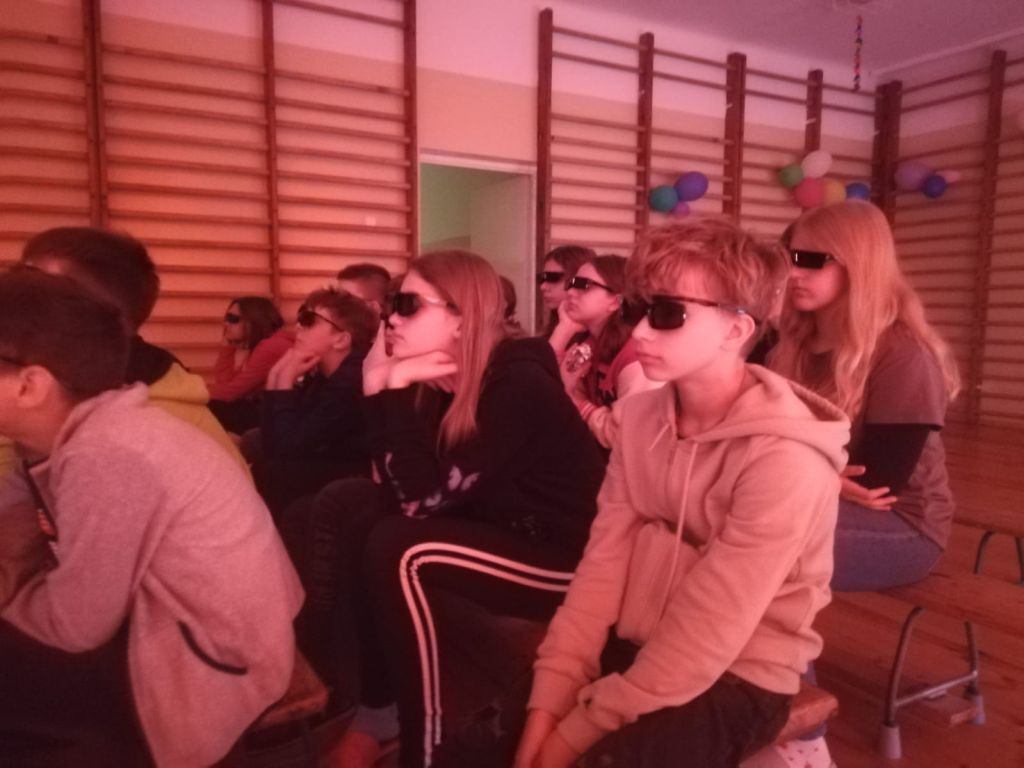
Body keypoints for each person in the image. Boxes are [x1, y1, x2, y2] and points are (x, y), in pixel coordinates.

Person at [515, 218, 850, 768]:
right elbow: (603, 565)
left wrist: (571, 736)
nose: (642, 332)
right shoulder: (639, 419)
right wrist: (548, 700)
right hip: (638, 638)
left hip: (743, 672)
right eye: (638, 309)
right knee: (494, 738)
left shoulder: (785, 457)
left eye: (669, 313)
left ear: (736, 330)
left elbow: (709, 628)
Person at [300, 250, 605, 768]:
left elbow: (418, 506)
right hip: (501, 529)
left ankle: (424, 749)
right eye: (391, 305)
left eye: (407, 305)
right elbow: (398, 489)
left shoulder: (518, 385)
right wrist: (379, 385)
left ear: (462, 317)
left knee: (400, 548)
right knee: (361, 516)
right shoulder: (442, 379)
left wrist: (388, 389)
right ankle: (375, 714)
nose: (391, 319)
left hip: (569, 557)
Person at [0, 270, 303, 766]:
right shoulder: (69, 435)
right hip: (182, 630)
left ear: (31, 385)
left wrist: (12, 598)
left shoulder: (106, 453)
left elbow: (76, 625)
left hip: (212, 665)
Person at [770, 200, 960, 590]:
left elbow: (876, 484)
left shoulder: (903, 354)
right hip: (814, 499)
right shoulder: (787, 343)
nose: (793, 273)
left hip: (903, 528)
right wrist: (822, 475)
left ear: (857, 264)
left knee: (750, 534)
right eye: (790, 258)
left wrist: (787, 464)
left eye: (810, 260)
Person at [12, 226, 246, 471]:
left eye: (31, 283)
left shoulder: (132, 435)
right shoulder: (56, 394)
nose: (12, 294)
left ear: (92, 315)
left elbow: (229, 390)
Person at [253, 288, 378, 516]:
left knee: (275, 474)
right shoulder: (324, 375)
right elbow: (273, 446)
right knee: (267, 468)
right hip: (329, 464)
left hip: (355, 475)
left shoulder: (351, 381)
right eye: (300, 318)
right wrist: (275, 377)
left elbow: (289, 449)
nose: (298, 327)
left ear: (341, 339)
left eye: (309, 320)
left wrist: (285, 381)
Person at [549, 255, 660, 448]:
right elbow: (543, 388)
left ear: (616, 302)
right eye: (572, 283)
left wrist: (576, 402)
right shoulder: (589, 343)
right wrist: (564, 329)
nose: (570, 292)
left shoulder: (636, 357)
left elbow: (624, 436)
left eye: (583, 285)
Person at [208, 296, 293, 434]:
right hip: (271, 409)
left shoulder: (271, 346)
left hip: (285, 415)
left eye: (233, 319)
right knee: (216, 406)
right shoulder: (256, 345)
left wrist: (195, 394)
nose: (226, 324)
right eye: (227, 318)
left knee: (211, 407)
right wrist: (227, 347)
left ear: (254, 321)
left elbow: (230, 393)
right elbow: (224, 385)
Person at [537, 245, 594, 339]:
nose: (543, 287)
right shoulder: (554, 325)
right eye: (542, 278)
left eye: (552, 277)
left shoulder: (598, 336)